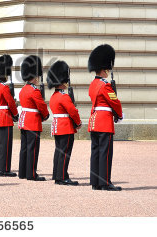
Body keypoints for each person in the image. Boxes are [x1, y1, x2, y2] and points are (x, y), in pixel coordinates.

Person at [87, 44, 123, 191]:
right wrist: (119, 115)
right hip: (104, 121)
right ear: (103, 70)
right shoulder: (105, 85)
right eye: (107, 70)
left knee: (95, 151)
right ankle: (105, 182)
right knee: (105, 153)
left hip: (94, 120)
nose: (108, 72)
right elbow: (115, 102)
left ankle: (95, 181)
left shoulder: (92, 84)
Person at [47, 60, 82, 186]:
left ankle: (57, 173)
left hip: (57, 126)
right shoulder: (64, 97)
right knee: (65, 152)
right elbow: (72, 111)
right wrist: (78, 123)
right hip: (65, 127)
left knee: (59, 151)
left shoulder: (54, 96)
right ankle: (62, 177)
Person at [18, 55, 49, 181]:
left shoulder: (23, 90)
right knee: (33, 148)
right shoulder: (34, 91)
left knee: (24, 147)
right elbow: (41, 106)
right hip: (33, 121)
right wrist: (45, 115)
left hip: (24, 120)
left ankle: (23, 172)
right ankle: (31, 173)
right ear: (35, 76)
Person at [0, 54, 19, 177]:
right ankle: (5, 169)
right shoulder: (4, 88)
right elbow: (11, 103)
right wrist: (16, 114)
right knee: (6, 145)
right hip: (6, 117)